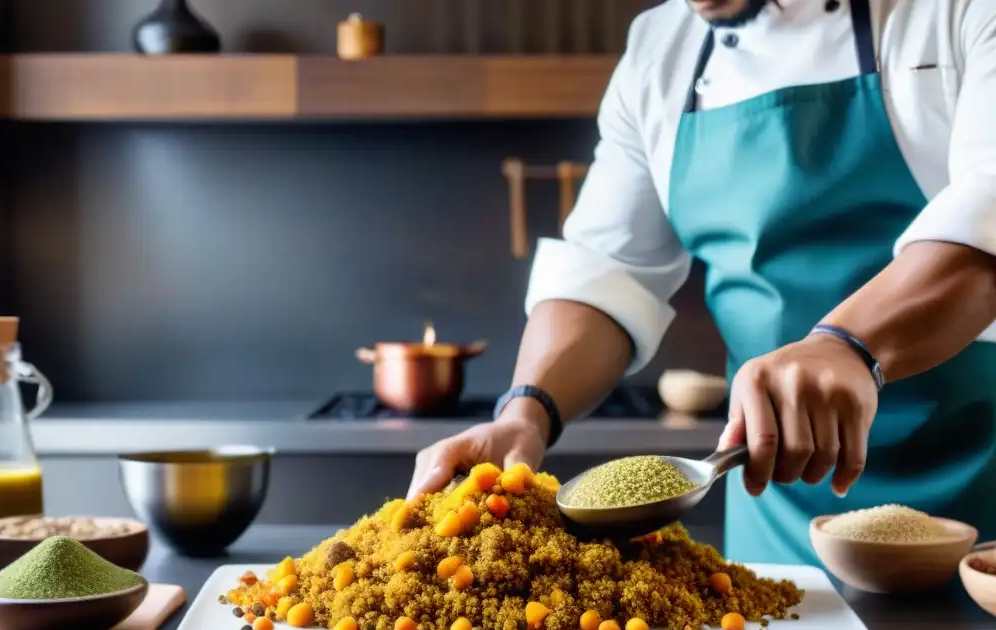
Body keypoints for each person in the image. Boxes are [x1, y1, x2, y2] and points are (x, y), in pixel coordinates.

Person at [407, 0, 996, 565]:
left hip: (978, 497)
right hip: (775, 509)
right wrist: (524, 415)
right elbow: (607, 269)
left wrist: (845, 346)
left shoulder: (958, 10)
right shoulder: (660, 49)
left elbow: (986, 215)